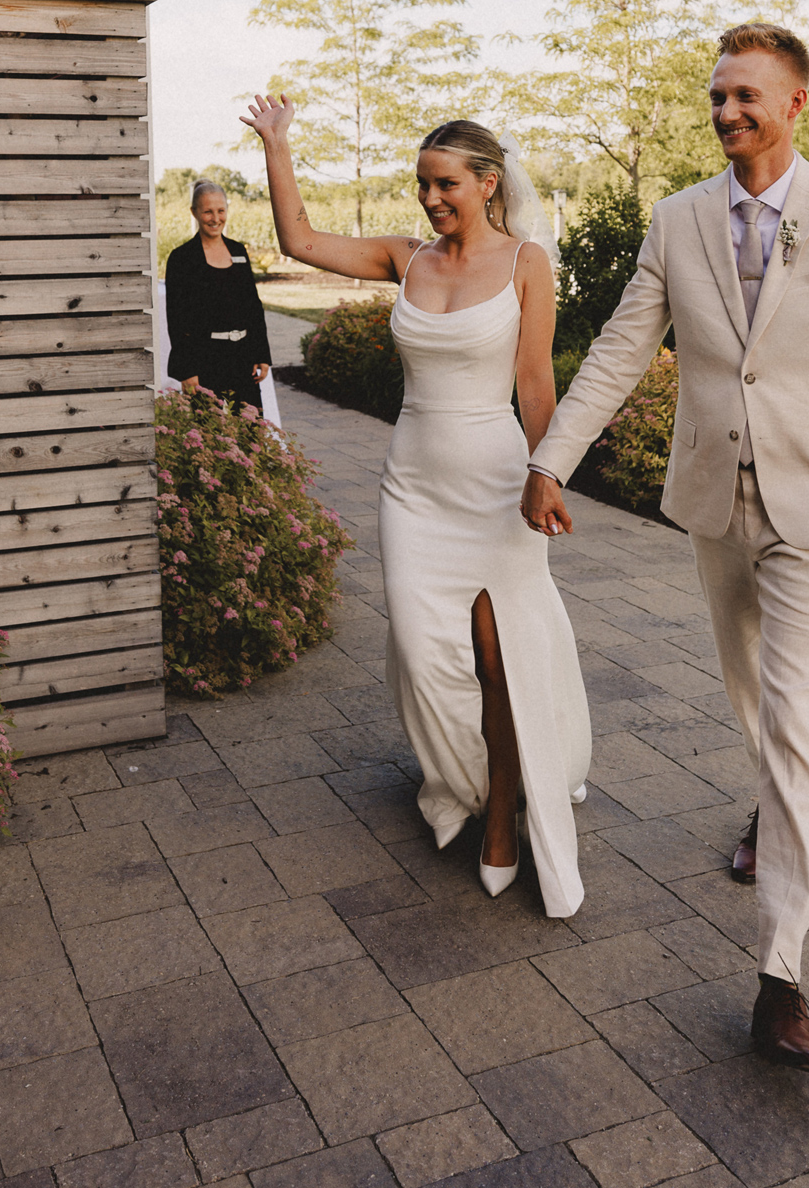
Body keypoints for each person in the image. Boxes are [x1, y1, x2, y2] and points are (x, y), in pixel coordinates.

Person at [519, 21, 809, 1074]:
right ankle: (767, 811)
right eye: (717, 96)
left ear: (794, 104)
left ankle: (779, 981)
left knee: (793, 719)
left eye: (746, 96)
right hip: (718, 506)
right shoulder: (676, 221)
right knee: (752, 708)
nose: (726, 112)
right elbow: (620, 352)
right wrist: (551, 459)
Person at [242, 97, 590, 914]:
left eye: (445, 185)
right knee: (429, 653)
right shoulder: (408, 258)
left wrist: (553, 473)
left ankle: (504, 813)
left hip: (497, 483)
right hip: (414, 489)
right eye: (423, 186)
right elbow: (300, 241)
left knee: (498, 658)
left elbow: (536, 383)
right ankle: (466, 781)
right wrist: (279, 144)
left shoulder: (525, 264)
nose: (431, 200)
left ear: (487, 182)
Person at [163, 180, 273, 414]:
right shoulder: (182, 258)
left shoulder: (238, 251)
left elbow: (253, 306)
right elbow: (177, 318)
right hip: (204, 362)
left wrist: (261, 353)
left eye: (221, 211)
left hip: (243, 359)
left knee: (252, 434)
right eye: (208, 211)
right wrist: (187, 370)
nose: (215, 218)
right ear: (194, 212)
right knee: (210, 440)